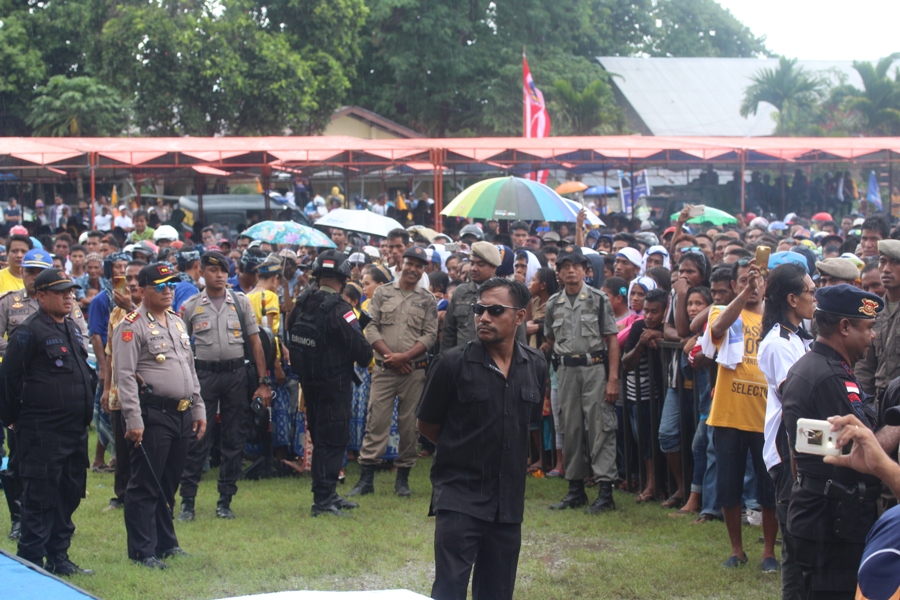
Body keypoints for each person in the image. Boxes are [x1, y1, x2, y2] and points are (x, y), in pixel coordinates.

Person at [417, 278, 546, 600]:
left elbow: (523, 425)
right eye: (480, 309)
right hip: (459, 494)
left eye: (495, 310)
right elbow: (427, 424)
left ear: (520, 316)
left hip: (508, 501)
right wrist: (463, 451)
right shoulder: (451, 363)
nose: (484, 317)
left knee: (498, 592)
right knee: (449, 589)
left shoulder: (535, 365)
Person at [781, 284, 890, 598]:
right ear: (844, 327)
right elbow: (865, 451)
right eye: (868, 328)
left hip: (820, 512)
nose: (873, 336)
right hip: (833, 520)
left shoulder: (814, 367)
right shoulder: (830, 377)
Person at [112, 263, 206, 569]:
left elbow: (189, 367)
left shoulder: (177, 322)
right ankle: (142, 550)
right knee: (145, 484)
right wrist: (134, 419)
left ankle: (166, 542)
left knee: (169, 481)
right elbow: (124, 376)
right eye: (161, 286)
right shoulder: (131, 325)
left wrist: (198, 406)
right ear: (142, 290)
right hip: (153, 413)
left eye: (171, 285)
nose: (168, 291)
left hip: (181, 412)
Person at [0, 269, 94, 575]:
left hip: (73, 431)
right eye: (61, 292)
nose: (69, 296)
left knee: (68, 493)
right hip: (42, 432)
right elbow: (9, 379)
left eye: (71, 291)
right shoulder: (28, 332)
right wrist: (13, 420)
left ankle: (58, 556)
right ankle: (31, 561)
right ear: (40, 296)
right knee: (40, 497)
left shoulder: (71, 328)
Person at [177, 252, 272, 521]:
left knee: (234, 438)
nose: (219, 275)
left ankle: (225, 500)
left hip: (236, 375)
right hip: (204, 376)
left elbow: (255, 343)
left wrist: (263, 383)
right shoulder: (191, 305)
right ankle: (187, 501)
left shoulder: (240, 303)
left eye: (223, 271)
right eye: (212, 270)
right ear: (202, 273)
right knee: (198, 437)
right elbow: (182, 347)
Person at [287, 251, 373, 516]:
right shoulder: (339, 308)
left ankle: (327, 494)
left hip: (309, 382)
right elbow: (364, 353)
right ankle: (323, 500)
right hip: (334, 385)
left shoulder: (302, 301)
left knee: (321, 437)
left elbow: (291, 329)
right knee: (334, 440)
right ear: (344, 278)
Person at [706, 258, 779, 570]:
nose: (752, 287)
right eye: (745, 282)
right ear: (735, 286)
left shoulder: (776, 322)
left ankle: (768, 553)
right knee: (729, 486)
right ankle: (737, 550)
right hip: (728, 416)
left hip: (766, 418)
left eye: (758, 281)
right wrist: (746, 293)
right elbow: (717, 330)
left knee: (768, 490)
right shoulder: (721, 312)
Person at [348, 246, 438, 498]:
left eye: (419, 266)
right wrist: (391, 356)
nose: (413, 269)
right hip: (385, 370)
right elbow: (369, 327)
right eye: (410, 263)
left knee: (409, 426)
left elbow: (430, 334)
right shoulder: (382, 294)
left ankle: (403, 479)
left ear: (423, 270)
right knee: (376, 421)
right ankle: (366, 479)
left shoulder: (427, 300)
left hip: (413, 372)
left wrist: (405, 357)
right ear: (401, 265)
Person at [543, 245, 620, 514]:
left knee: (600, 428)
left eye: (576, 267)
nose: (571, 271)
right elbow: (549, 340)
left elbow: (612, 340)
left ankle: (605, 492)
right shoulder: (554, 303)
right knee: (570, 427)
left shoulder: (599, 299)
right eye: (565, 267)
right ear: (559, 273)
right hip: (565, 371)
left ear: (585, 271)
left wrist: (613, 379)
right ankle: (575, 489)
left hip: (594, 369)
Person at [757, 263, 816, 598]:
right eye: (810, 291)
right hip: (787, 450)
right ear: (792, 299)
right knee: (795, 548)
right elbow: (796, 399)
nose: (815, 297)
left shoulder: (800, 338)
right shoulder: (778, 343)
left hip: (801, 447)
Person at [442, 242, 501, 351]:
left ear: (493, 267)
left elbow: (518, 335)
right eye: (472, 263)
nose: (473, 268)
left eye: (480, 264)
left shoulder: (505, 293)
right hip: (462, 360)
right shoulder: (460, 292)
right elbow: (449, 332)